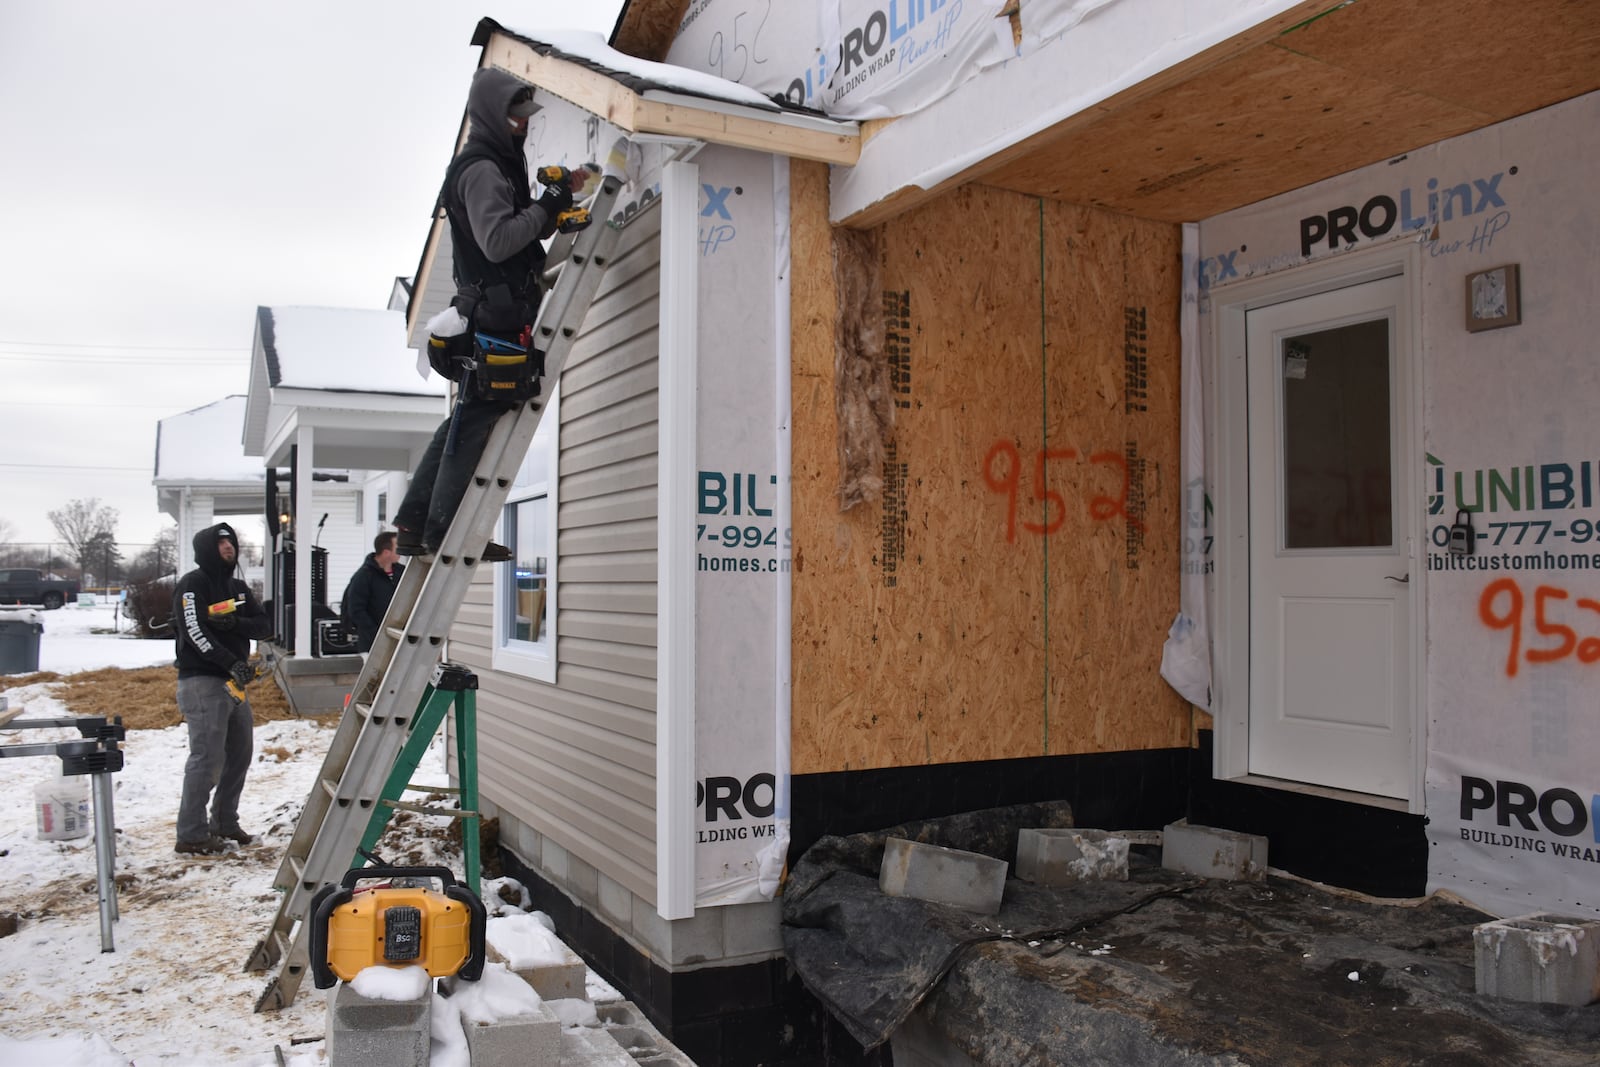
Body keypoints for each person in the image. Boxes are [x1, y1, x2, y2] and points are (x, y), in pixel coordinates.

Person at [395, 68, 581, 561]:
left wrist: (553, 203)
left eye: (525, 116)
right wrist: (546, 209)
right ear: (493, 115)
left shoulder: (497, 162)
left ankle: (414, 526)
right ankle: (442, 533)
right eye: (515, 116)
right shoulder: (481, 169)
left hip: (494, 308)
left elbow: (514, 233)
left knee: (467, 415)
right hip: (495, 313)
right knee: (477, 419)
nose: (522, 125)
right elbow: (498, 242)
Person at [171, 522, 273, 855]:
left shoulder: (239, 589)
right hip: (202, 682)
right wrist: (231, 661)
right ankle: (191, 834)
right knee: (207, 758)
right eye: (221, 543)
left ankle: (225, 822)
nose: (228, 547)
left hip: (234, 685)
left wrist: (236, 623)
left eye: (231, 542)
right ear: (206, 549)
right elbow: (195, 633)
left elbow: (264, 625)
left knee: (239, 754)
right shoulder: (192, 586)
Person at [342, 530, 404, 653]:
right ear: (386, 552)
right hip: (372, 643)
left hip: (400, 640)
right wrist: (375, 632)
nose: (401, 551)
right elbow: (356, 610)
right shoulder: (364, 576)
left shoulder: (402, 572)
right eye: (398, 547)